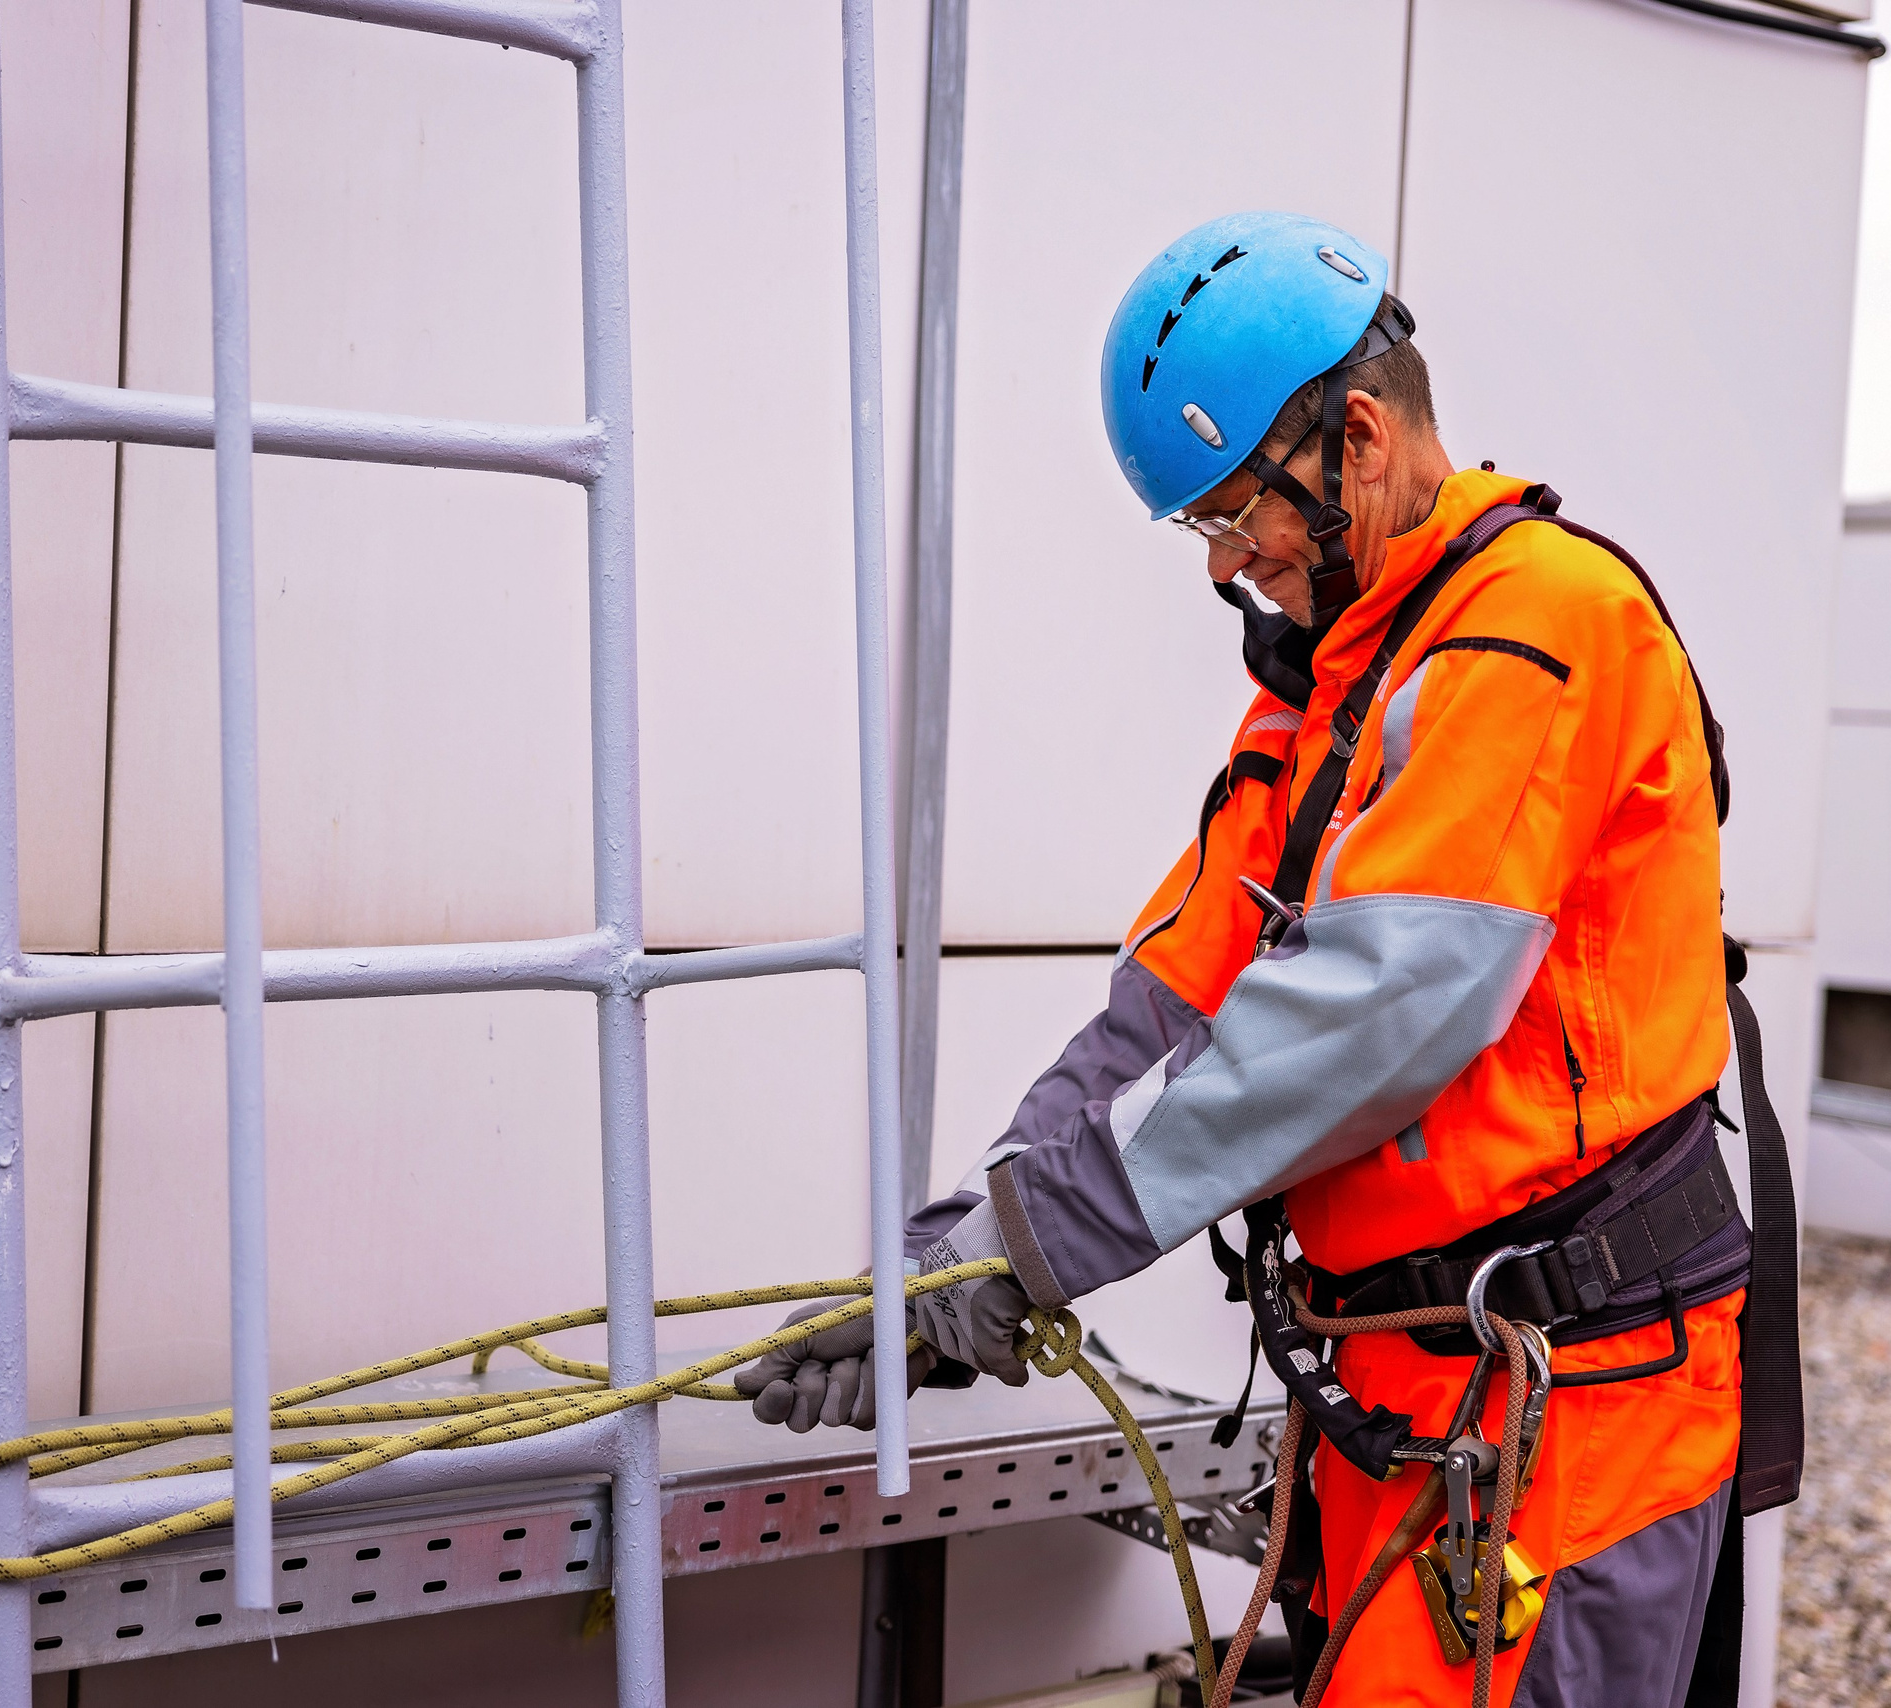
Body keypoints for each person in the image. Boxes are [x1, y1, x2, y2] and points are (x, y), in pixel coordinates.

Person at [737, 211, 1798, 1707]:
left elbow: (1375, 1007)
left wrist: (1035, 1243)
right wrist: (955, 1245)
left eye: (1237, 515)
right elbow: (1174, 992)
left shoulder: (1543, 627)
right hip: (1415, 1398)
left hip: (1570, 1412)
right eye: (1203, 531)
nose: (1225, 564)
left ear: (1358, 438)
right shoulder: (1327, 689)